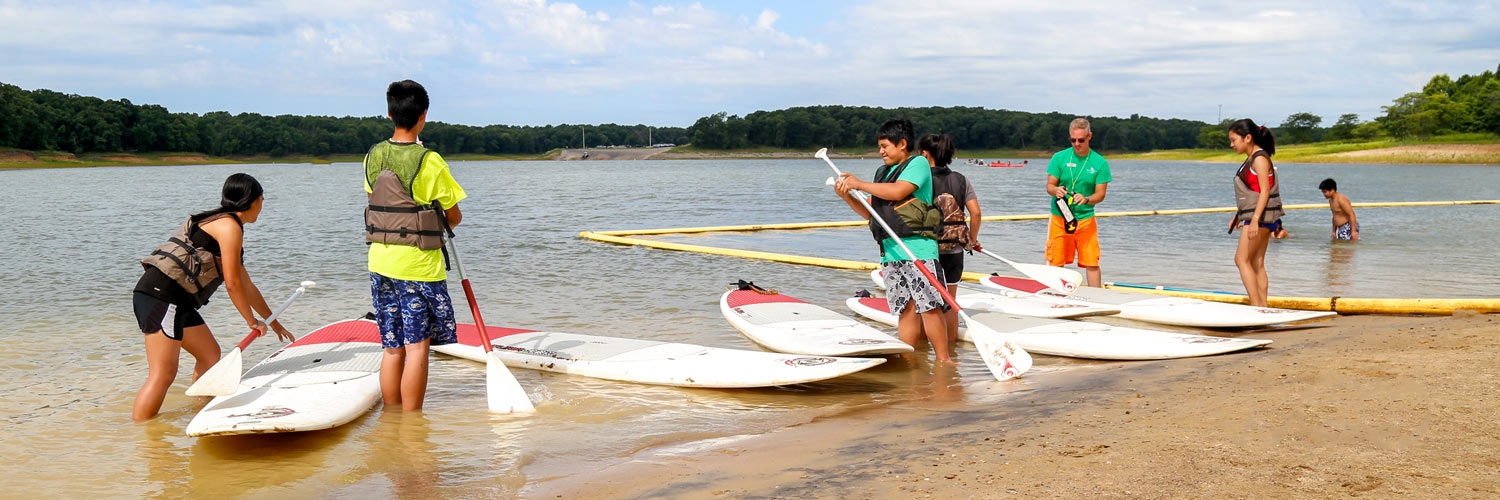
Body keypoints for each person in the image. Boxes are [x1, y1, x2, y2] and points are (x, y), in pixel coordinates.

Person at [132, 173, 294, 421]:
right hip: (162, 298)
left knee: (209, 354)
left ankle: (200, 414)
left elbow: (246, 285)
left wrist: (272, 321)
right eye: (262, 199)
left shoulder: (225, 224)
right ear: (253, 200)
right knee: (163, 374)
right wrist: (251, 321)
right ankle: (144, 439)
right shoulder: (229, 227)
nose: (262, 205)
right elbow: (232, 284)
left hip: (176, 300)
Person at [365, 80, 467, 411]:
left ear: (389, 113)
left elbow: (377, 202)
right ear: (423, 115)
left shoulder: (373, 155)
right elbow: (454, 216)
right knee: (417, 347)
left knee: (392, 347)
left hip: (380, 263)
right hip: (419, 267)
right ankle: (411, 424)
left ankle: (392, 418)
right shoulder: (430, 161)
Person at [835, 118, 951, 363]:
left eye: (885, 146)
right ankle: (908, 361)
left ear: (902, 144)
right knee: (905, 309)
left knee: (929, 307)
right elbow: (871, 212)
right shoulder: (882, 173)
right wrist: (847, 195)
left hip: (917, 250)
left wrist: (859, 183)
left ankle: (944, 361)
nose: (881, 152)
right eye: (879, 146)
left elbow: (899, 192)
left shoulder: (917, 163)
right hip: (890, 252)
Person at [918, 133, 979, 359]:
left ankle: (924, 353)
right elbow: (976, 212)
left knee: (924, 303)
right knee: (950, 302)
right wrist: (971, 239)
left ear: (925, 154)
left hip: (928, 249)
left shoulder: (920, 180)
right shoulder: (961, 179)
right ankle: (949, 352)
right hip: (955, 249)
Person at [1044, 118, 1112, 287]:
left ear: (1090, 136)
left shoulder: (1100, 163)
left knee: (1092, 261)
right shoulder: (1059, 157)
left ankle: (1096, 299)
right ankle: (1054, 295)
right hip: (1060, 216)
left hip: (1085, 218)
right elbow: (1050, 186)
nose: (1076, 144)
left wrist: (1087, 199)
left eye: (1081, 140)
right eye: (1073, 140)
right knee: (1055, 261)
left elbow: (1101, 194)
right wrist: (1056, 190)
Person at [1226, 119, 1284, 307]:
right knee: (1257, 262)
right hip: (1263, 217)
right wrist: (1239, 216)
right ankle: (1263, 308)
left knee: (1241, 259)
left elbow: (1265, 191)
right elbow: (1253, 192)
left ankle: (1256, 307)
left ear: (1248, 138)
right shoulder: (1254, 157)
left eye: (1234, 140)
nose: (1232, 144)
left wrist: (1254, 220)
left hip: (1260, 218)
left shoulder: (1259, 159)